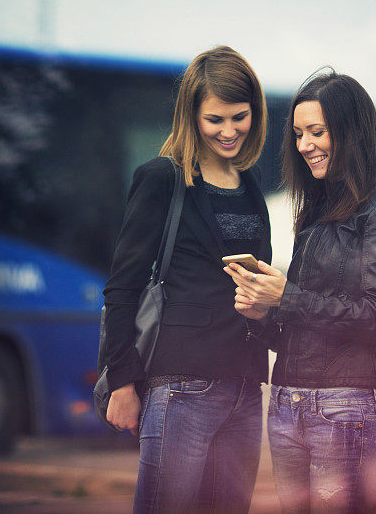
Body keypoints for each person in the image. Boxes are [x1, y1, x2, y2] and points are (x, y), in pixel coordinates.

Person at [225, 70, 376, 513]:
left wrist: (286, 298)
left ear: (353, 133)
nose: (305, 145)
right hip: (287, 402)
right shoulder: (314, 216)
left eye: (317, 132)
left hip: (347, 408)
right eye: (298, 134)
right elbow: (299, 329)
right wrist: (261, 312)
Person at [102, 46, 271, 514]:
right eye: (215, 119)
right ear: (192, 115)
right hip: (181, 388)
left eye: (240, 117)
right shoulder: (162, 178)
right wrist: (122, 382)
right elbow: (122, 287)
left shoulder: (251, 183)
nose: (229, 130)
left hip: (244, 388)